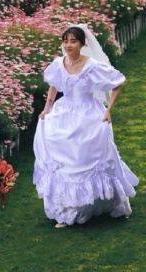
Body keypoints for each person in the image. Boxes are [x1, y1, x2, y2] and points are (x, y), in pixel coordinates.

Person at [33, 25, 139, 228]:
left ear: (82, 44)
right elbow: (54, 85)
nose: (68, 45)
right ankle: (66, 210)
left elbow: (118, 82)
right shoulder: (58, 64)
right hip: (65, 112)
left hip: (88, 113)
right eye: (65, 41)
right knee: (62, 159)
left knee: (88, 157)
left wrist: (108, 109)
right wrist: (48, 108)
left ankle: (97, 203)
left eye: (73, 41)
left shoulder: (92, 66)